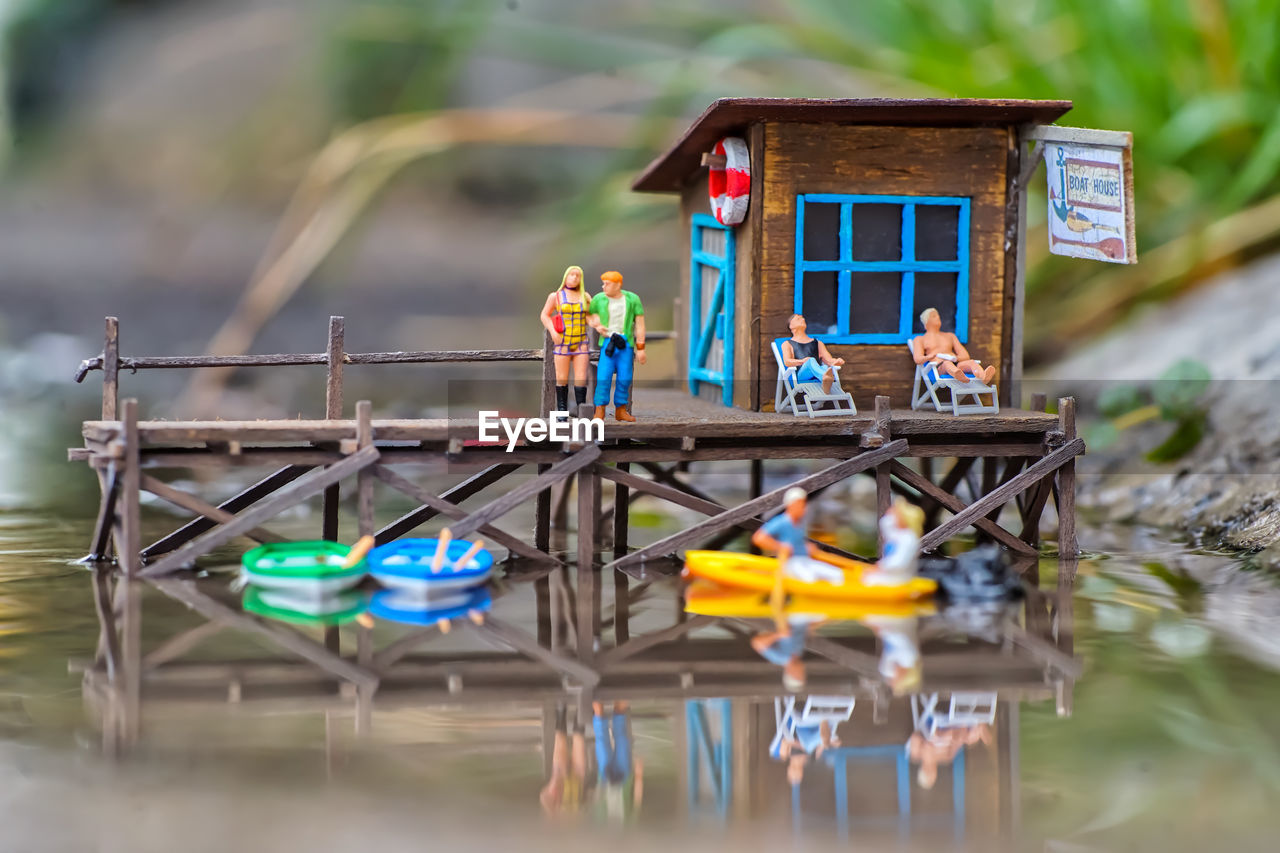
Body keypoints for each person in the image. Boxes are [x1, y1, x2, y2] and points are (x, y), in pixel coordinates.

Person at [751, 487, 848, 627]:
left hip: (804, 560)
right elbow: (759, 538)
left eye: (803, 504)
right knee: (809, 580)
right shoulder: (782, 522)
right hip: (791, 562)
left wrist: (807, 547)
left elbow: (797, 542)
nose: (804, 508)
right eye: (800, 504)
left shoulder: (799, 523)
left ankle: (838, 603)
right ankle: (811, 609)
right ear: (792, 504)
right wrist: (780, 547)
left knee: (837, 574)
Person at [586, 271, 646, 422]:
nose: (604, 286)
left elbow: (639, 324)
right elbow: (589, 314)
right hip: (608, 342)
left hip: (625, 343)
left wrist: (641, 347)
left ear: (618, 284)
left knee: (625, 377)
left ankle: (621, 410)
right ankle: (599, 410)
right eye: (603, 283)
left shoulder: (632, 299)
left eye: (607, 283)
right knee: (603, 376)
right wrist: (597, 324)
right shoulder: (599, 299)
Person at [539, 265, 592, 414]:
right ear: (565, 277)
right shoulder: (555, 296)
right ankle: (562, 410)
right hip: (563, 342)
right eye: (571, 275)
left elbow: (592, 315)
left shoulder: (585, 296)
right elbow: (544, 315)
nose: (574, 278)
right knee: (561, 377)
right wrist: (553, 332)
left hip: (581, 342)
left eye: (577, 275)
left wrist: (597, 322)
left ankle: (581, 409)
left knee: (581, 377)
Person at [912, 307, 996, 385]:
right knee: (947, 364)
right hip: (940, 367)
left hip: (956, 363)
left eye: (938, 315)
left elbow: (965, 356)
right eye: (934, 316)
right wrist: (930, 356)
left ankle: (983, 377)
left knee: (971, 363)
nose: (938, 317)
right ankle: (958, 375)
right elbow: (918, 359)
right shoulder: (920, 339)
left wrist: (955, 358)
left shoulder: (950, 336)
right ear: (926, 321)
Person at [591, 700, 643, 823]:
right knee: (621, 740)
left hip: (605, 777)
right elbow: (636, 801)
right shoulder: (629, 824)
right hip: (624, 777)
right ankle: (619, 708)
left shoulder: (600, 824)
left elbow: (596, 801)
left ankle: (598, 708)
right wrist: (639, 776)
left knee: (601, 741)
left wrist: (595, 793)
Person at [540, 704, 589, 817]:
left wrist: (551, 809)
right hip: (578, 776)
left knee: (560, 738)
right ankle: (583, 703)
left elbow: (543, 795)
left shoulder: (554, 811)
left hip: (560, 775)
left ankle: (561, 706)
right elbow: (587, 800)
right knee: (579, 737)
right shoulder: (578, 816)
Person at [780, 313, 845, 395]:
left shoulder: (818, 343)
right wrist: (802, 361)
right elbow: (787, 362)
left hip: (817, 372)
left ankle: (826, 380)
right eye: (798, 319)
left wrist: (836, 361)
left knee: (825, 366)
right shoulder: (787, 344)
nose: (803, 319)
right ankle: (825, 378)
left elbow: (829, 360)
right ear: (791, 326)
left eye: (803, 318)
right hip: (802, 376)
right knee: (811, 361)